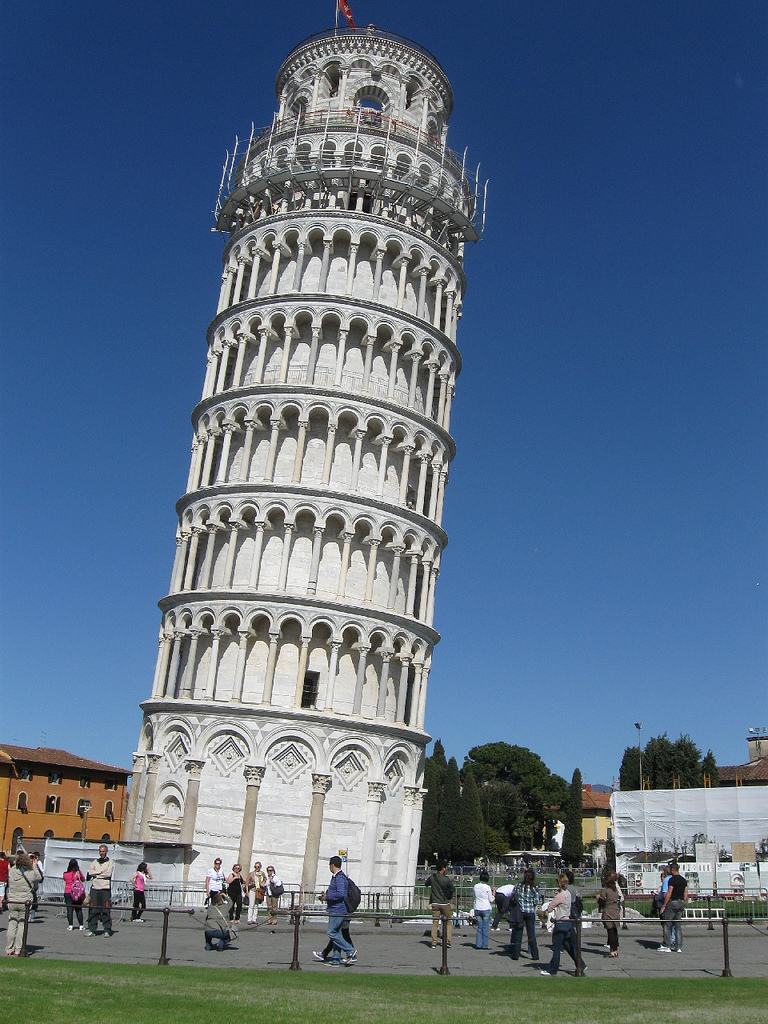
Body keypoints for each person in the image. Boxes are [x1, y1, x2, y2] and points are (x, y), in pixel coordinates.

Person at [539, 873, 587, 976]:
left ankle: (552, 969)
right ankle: (581, 964)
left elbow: (551, 906)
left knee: (556, 948)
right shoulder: (568, 893)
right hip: (568, 921)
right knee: (569, 946)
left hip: (560, 922)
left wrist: (545, 910)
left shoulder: (559, 896)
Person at [319, 856, 356, 966]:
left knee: (331, 932)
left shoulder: (339, 877)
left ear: (332, 865)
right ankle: (335, 959)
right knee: (337, 933)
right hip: (336, 909)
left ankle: (350, 951)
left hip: (338, 909)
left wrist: (327, 897)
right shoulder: (337, 877)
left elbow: (341, 894)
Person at [5, 852, 43, 955]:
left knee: (12, 923)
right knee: (22, 925)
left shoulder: (13, 871)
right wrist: (34, 865)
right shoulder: (30, 872)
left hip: (12, 899)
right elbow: (39, 878)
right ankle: (18, 949)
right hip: (24, 901)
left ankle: (9, 948)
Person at [511, 868, 541, 960]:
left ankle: (516, 954)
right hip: (530, 911)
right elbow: (536, 901)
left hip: (520, 911)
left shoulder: (518, 886)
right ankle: (534, 954)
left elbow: (513, 895)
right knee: (531, 934)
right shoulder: (534, 888)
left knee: (518, 933)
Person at [85, 844, 114, 937]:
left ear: (106, 852)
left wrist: (96, 874)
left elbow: (108, 874)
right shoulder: (95, 862)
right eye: (100, 851)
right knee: (93, 909)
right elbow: (89, 872)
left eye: (103, 851)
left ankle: (107, 929)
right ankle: (92, 929)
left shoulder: (110, 862)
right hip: (95, 888)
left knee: (106, 909)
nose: (101, 853)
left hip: (105, 888)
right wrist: (99, 872)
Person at [661, 861, 688, 953]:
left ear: (672, 869)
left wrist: (664, 905)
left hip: (673, 902)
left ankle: (667, 945)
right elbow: (686, 893)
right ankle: (679, 947)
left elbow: (669, 893)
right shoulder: (683, 880)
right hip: (681, 902)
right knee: (678, 926)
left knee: (667, 924)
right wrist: (684, 902)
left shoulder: (672, 880)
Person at [428, 860, 454, 949]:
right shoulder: (446, 879)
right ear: (443, 868)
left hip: (435, 903)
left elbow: (426, 884)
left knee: (435, 922)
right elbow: (452, 888)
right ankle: (447, 941)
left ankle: (433, 942)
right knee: (448, 922)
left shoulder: (432, 877)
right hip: (444, 903)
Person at [597, 871, 621, 956]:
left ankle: (612, 951)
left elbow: (602, 901)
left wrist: (598, 898)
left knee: (610, 931)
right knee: (615, 931)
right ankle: (615, 949)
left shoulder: (605, 890)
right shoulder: (615, 890)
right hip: (615, 910)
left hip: (608, 911)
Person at [63, 858, 86, 930]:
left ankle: (70, 925)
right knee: (78, 909)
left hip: (67, 892)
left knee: (69, 909)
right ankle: (81, 925)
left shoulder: (65, 874)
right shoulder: (77, 873)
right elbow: (83, 879)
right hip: (76, 893)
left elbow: (65, 879)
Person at [473, 870, 494, 949]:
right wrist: (494, 893)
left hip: (477, 907)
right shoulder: (487, 887)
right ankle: (485, 945)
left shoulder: (475, 886)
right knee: (485, 927)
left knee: (479, 927)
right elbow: (491, 899)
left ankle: (478, 944)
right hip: (486, 908)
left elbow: (474, 896)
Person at [246, 860, 267, 924]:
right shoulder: (251, 874)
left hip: (259, 891)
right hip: (252, 890)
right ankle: (249, 919)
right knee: (251, 905)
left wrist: (263, 883)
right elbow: (247, 883)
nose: (257, 868)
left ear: (260, 867)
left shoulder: (262, 873)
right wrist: (247, 892)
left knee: (256, 905)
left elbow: (265, 879)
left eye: (258, 867)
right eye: (256, 867)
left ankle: (254, 919)